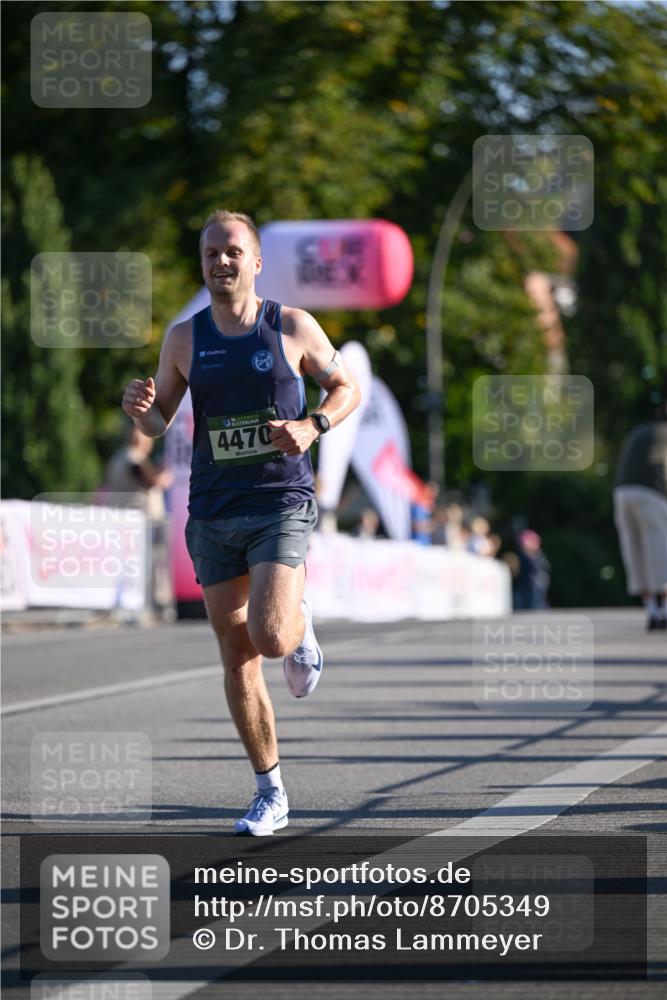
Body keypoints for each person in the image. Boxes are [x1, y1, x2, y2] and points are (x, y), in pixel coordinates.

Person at [122, 210, 361, 834]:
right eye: (209, 255)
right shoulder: (183, 339)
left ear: (256, 261)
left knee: (273, 636)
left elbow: (347, 389)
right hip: (213, 511)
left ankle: (299, 622)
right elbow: (158, 424)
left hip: (280, 501)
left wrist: (314, 425)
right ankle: (270, 792)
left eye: (232, 252)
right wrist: (142, 412)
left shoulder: (294, 326)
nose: (220, 263)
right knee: (237, 658)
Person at [103, 425, 174, 616]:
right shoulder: (134, 459)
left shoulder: (117, 458)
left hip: (122, 520)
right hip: (143, 521)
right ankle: (151, 604)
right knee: (149, 564)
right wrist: (166, 476)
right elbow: (152, 481)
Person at [613, 403, 667, 630]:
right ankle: (663, 611)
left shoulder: (638, 432)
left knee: (635, 552)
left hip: (622, 492)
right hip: (651, 493)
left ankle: (651, 610)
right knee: (660, 551)